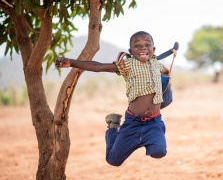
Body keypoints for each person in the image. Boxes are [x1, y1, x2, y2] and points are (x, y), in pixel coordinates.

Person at [55, 31, 171, 166]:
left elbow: (166, 71)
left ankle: (142, 139)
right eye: (137, 46)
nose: (143, 48)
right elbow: (99, 67)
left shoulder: (157, 64)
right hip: (133, 122)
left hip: (154, 122)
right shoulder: (127, 65)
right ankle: (113, 127)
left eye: (147, 45)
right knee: (113, 160)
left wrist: (166, 77)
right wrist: (72, 63)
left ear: (153, 49)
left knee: (159, 151)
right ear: (131, 51)